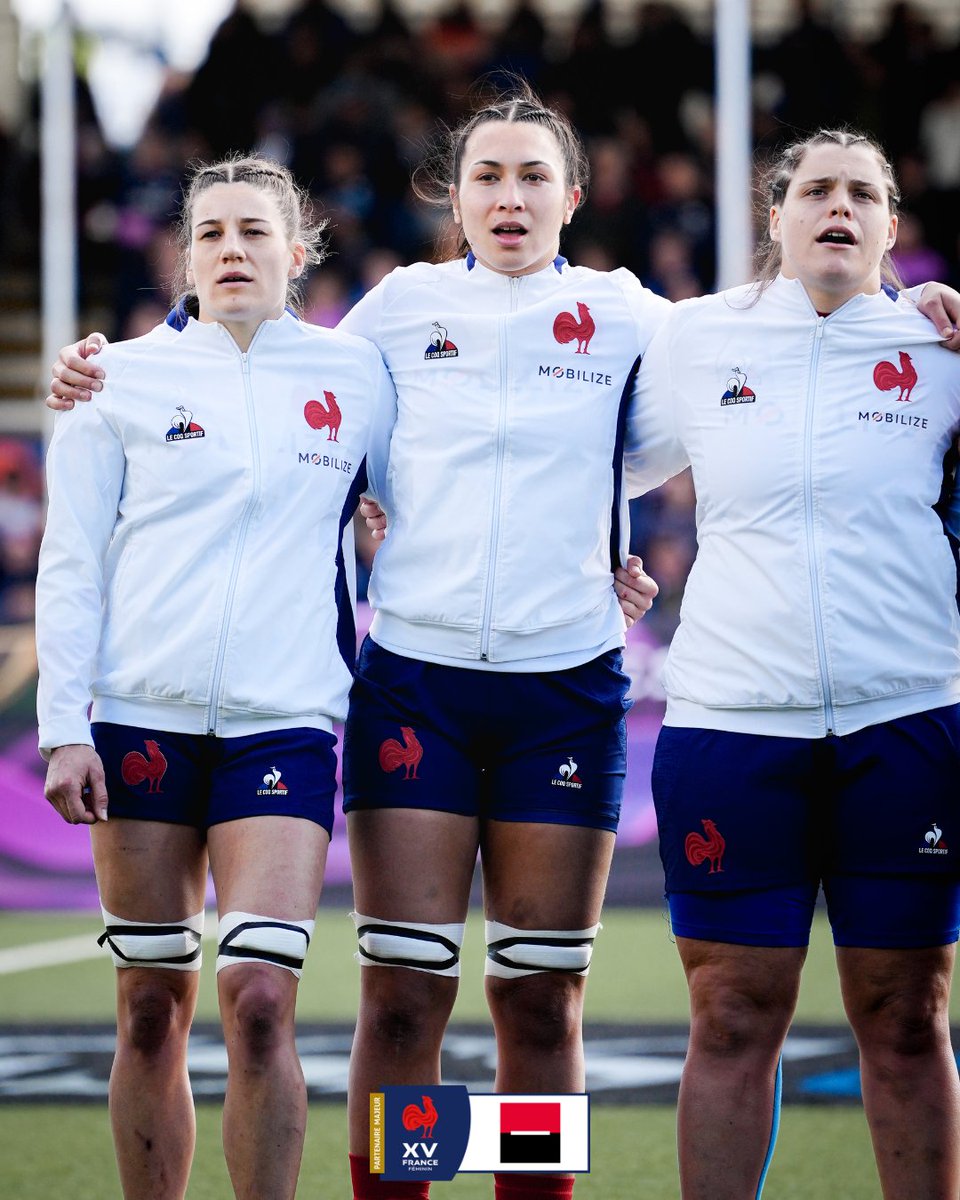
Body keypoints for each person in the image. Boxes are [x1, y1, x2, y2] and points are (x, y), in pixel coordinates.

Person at [45, 88, 960, 1200]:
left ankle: (528, 1193)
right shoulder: (388, 316)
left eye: (535, 176)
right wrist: (111, 363)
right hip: (417, 689)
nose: (511, 196)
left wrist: (921, 307)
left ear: (573, 196)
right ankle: (408, 1190)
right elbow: (270, 393)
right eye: (488, 175)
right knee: (405, 995)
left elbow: (731, 408)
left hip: (564, 691)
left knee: (538, 999)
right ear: (455, 195)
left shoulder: (642, 318)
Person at [36, 154, 396, 1200]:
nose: (231, 250)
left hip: (287, 722)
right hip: (137, 723)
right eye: (210, 234)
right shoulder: (113, 379)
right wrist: (66, 723)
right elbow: (71, 560)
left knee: (257, 997)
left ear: (299, 251)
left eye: (253, 232)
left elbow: (456, 485)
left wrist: (612, 559)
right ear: (182, 255)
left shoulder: (358, 375)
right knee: (151, 1004)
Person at [627, 129, 960, 1200]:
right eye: (815, 189)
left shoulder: (945, 351)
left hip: (907, 720)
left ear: (891, 229)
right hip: (732, 722)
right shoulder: (694, 338)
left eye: (863, 193)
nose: (838, 207)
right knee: (730, 1013)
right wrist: (600, 564)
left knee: (907, 1017)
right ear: (775, 217)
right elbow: (565, 448)